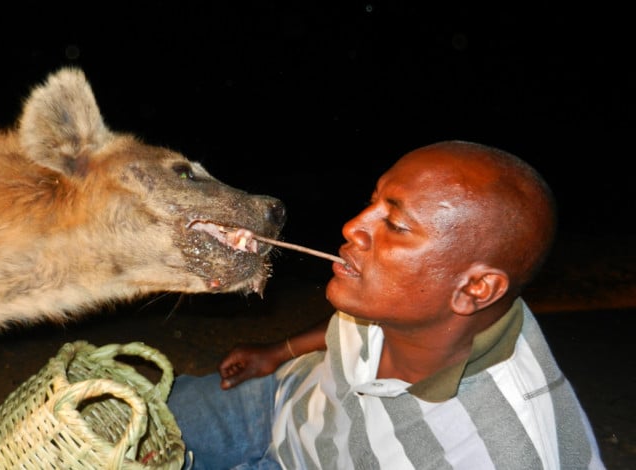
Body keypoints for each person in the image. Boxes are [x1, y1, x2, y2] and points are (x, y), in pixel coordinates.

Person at [167, 140, 604, 469]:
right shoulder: (413, 305)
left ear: (476, 289)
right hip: (283, 400)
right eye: (371, 203)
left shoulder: (502, 451)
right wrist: (279, 352)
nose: (353, 226)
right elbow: (357, 321)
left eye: (394, 224)